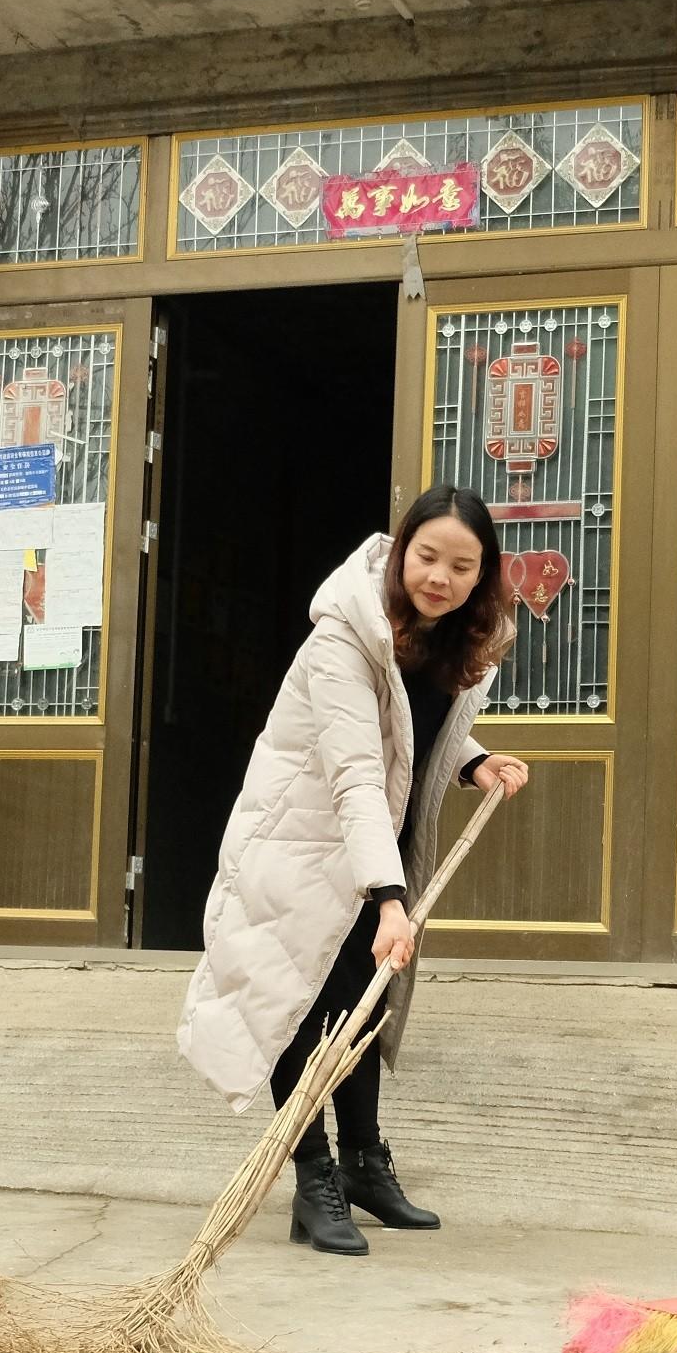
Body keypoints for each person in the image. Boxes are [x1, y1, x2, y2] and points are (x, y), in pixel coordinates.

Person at [176, 486, 530, 1256]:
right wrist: (391, 898)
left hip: (370, 849)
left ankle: (367, 1164)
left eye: (460, 565)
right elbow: (356, 773)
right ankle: (313, 1178)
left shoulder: (452, 640)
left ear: (482, 576)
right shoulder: (346, 636)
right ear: (402, 551)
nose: (439, 576)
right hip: (303, 846)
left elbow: (410, 736)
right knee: (300, 1010)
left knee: (361, 1008)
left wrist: (473, 763)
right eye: (427, 556)